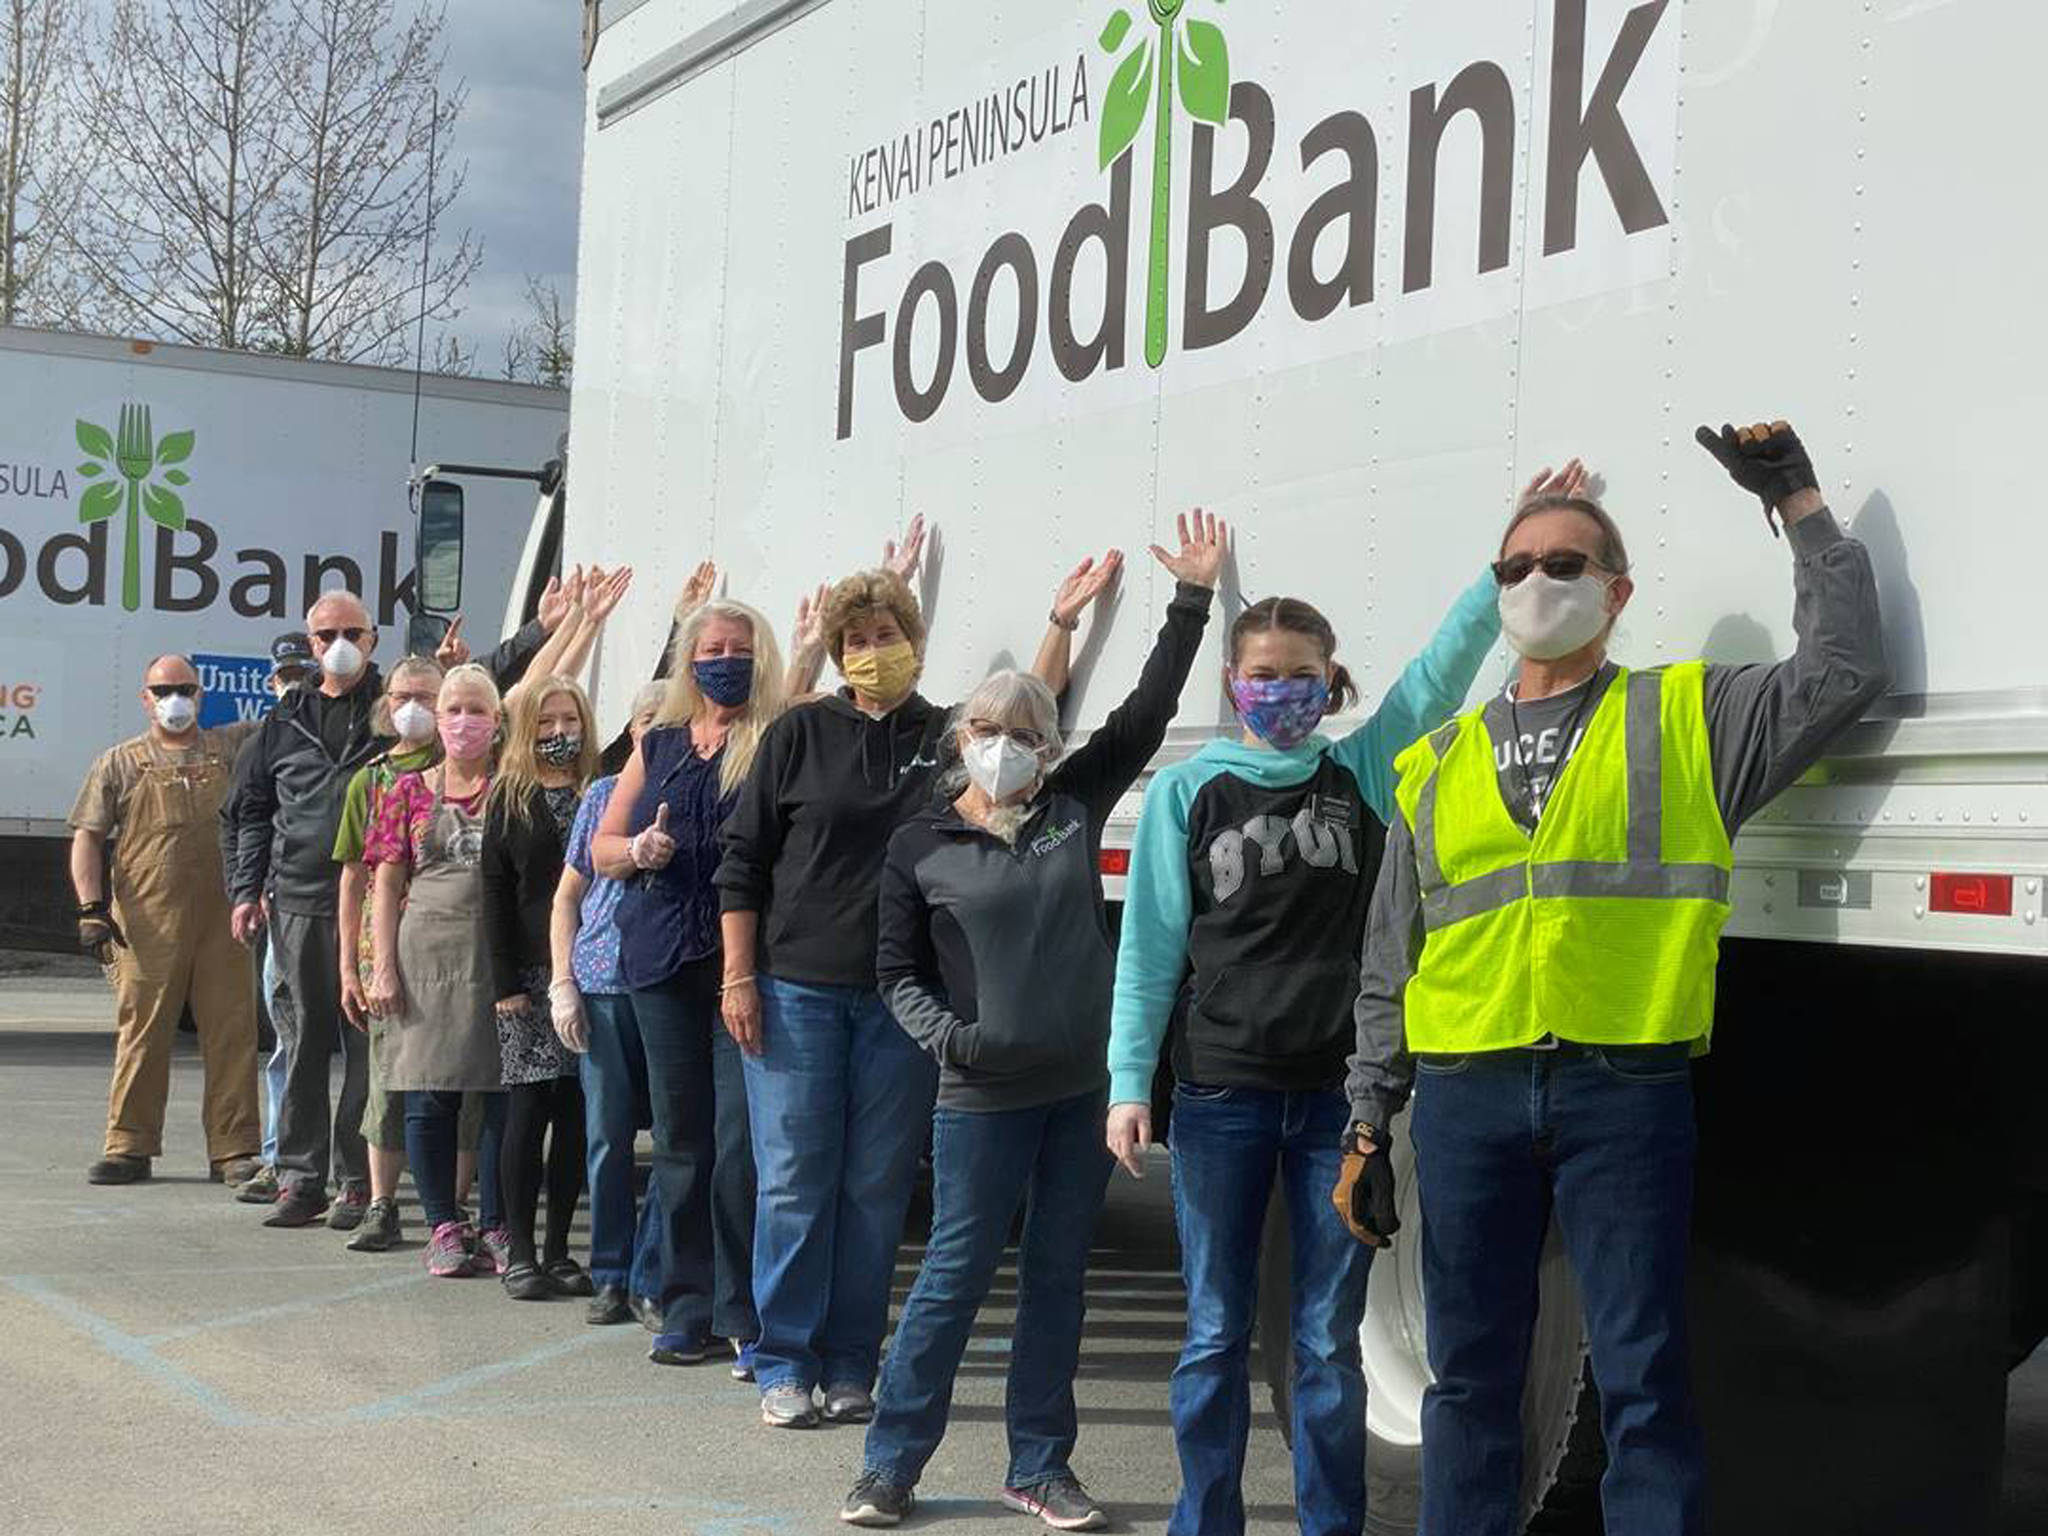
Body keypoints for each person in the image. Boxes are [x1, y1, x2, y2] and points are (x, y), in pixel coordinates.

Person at [1340, 423, 1888, 1536]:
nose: (1534, 582)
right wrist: (1365, 1122)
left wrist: (1798, 507)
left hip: (1621, 1091)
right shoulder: (1434, 763)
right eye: (1514, 567)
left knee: (1641, 1377)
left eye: (1562, 564)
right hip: (1464, 1099)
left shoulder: (1685, 715)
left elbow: (1840, 671)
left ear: (1615, 589)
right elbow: (1391, 955)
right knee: (1468, 1379)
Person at [1103, 486, 1540, 1535]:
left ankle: (1326, 1524)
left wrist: (1502, 572)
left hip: (1337, 1114)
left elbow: (1437, 674)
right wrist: (1128, 1086)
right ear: (1232, 684)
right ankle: (1201, 1519)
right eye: (1262, 678)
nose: (1281, 693)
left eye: (1302, 678)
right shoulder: (1185, 794)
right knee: (1212, 1331)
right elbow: (1149, 953)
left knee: (1323, 1342)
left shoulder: (1359, 775)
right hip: (1216, 1099)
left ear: (1328, 684)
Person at [840, 513, 1227, 1531]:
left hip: (1079, 1094)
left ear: (1049, 746)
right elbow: (894, 972)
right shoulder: (920, 844)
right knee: (954, 1280)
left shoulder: (1067, 807)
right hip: (980, 1097)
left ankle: (1040, 1466)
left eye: (1026, 735)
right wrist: (949, 1041)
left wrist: (1188, 603)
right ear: (958, 740)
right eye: (988, 732)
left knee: (1057, 1277)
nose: (1005, 749)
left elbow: (1143, 717)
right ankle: (888, 1463)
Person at [716, 528, 1121, 1430]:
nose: (873, 652)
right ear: (836, 649)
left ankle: (854, 1360)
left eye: (887, 633)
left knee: (875, 1185)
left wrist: (1061, 621)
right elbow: (741, 862)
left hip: (900, 1000)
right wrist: (738, 977)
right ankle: (785, 1357)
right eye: (854, 638)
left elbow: (1030, 714)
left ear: (916, 642)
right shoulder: (797, 732)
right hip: (794, 991)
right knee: (793, 1181)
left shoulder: (946, 737)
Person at [222, 583, 579, 1228]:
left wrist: (543, 630)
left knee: (383, 1062)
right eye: (324, 637)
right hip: (305, 901)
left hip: (434, 934)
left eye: (350, 635)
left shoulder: (415, 724)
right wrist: (246, 889)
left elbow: (491, 687)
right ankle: (302, 1178)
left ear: (372, 643)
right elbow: (252, 813)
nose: (337, 648)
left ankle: (360, 1183)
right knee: (304, 1044)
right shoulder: (285, 723)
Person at [70, 655, 263, 1186]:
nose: (173, 698)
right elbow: (87, 834)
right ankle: (129, 1144)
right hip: (146, 919)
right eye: (162, 689)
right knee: (142, 1031)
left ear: (200, 695)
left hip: (224, 917)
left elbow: (292, 724)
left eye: (184, 688)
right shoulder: (119, 762)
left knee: (232, 1031)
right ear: (144, 698)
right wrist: (90, 907)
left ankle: (234, 1148)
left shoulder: (231, 747)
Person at [364, 663, 514, 1277]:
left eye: (475, 708)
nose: (461, 720)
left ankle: (500, 1223)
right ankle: (444, 1225)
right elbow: (384, 883)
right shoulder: (405, 791)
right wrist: (382, 970)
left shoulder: (513, 789)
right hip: (424, 955)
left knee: (503, 1098)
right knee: (429, 1093)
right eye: (451, 708)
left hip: (499, 955)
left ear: (497, 720)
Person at [551, 681, 669, 1327]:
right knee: (608, 1139)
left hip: (668, 988)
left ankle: (652, 1274)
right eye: (645, 720)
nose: (654, 731)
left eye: (666, 719)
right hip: (601, 984)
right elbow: (567, 896)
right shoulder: (601, 796)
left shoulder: (694, 795)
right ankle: (611, 1272)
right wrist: (562, 982)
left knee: (675, 1142)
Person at [482, 676, 603, 1301]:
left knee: (575, 1114)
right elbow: (496, 895)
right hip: (528, 980)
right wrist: (504, 982)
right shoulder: (510, 796)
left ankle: (560, 1250)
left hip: (592, 973)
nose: (560, 733)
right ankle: (520, 1252)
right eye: (547, 722)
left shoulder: (601, 788)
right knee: (527, 1113)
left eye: (570, 720)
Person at [229, 631, 323, 1207]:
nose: (297, 683)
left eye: (304, 673)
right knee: (291, 1041)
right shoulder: (263, 739)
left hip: (340, 908)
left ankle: (361, 1171)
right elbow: (241, 819)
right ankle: (278, 1157)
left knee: (365, 1049)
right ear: (271, 681)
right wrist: (247, 889)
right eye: (287, 674)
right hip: (284, 908)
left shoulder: (355, 726)